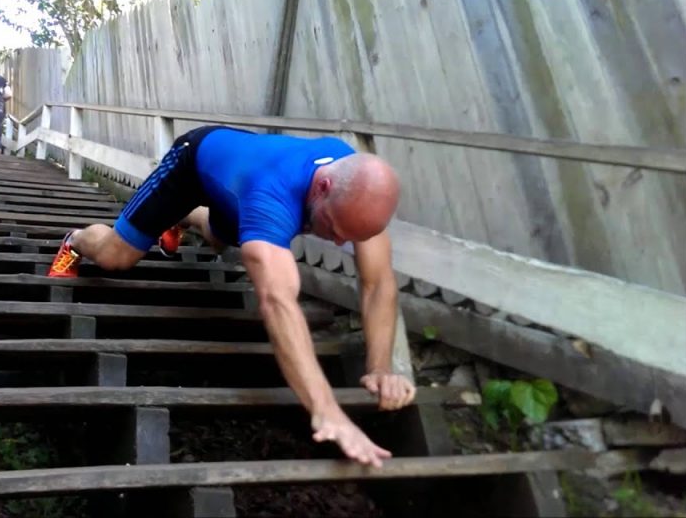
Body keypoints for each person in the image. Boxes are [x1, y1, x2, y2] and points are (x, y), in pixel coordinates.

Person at [47, 125, 415, 467]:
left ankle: (187, 216)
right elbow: (278, 303)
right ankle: (75, 239)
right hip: (194, 160)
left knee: (221, 237)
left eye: (349, 237)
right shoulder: (270, 194)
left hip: (235, 180)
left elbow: (378, 282)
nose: (337, 242)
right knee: (118, 256)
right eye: (333, 229)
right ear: (323, 187)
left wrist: (381, 368)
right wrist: (326, 408)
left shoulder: (358, 192)